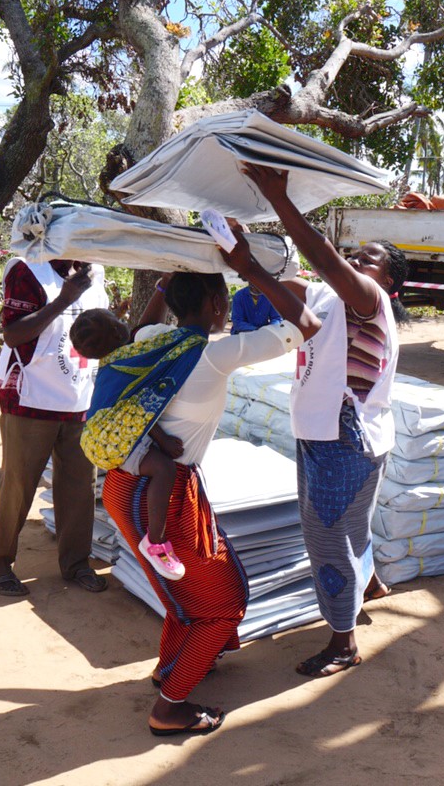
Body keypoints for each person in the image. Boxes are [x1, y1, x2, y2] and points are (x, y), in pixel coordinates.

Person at [98, 223, 321, 737]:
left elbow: (143, 324)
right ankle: (170, 707)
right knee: (222, 606)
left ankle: (169, 671)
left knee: (182, 592)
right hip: (160, 494)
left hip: (127, 487)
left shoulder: (153, 339)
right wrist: (250, 269)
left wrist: (170, 278)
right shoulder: (216, 353)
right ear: (219, 306)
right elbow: (304, 323)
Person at [242, 162, 409, 678]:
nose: (359, 261)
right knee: (348, 526)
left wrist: (279, 199)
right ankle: (368, 587)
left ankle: (342, 643)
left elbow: (322, 257)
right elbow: (282, 286)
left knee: (325, 536)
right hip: (323, 434)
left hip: (344, 438)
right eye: (357, 254)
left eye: (371, 261)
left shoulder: (369, 301)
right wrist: (241, 254)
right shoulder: (326, 299)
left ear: (389, 285)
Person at [0, 256, 111, 597]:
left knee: (80, 486)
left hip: (79, 396)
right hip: (29, 398)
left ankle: (76, 563)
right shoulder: (28, 270)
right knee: (18, 485)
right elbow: (12, 334)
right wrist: (63, 301)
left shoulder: (94, 272)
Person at [69, 307, 187, 580]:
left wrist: (162, 286)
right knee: (164, 468)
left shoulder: (116, 360)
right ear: (114, 332)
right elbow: (140, 409)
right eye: (117, 320)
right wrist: (164, 440)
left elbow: (142, 325)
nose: (124, 321)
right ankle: (155, 541)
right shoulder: (128, 363)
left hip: (102, 435)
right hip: (113, 440)